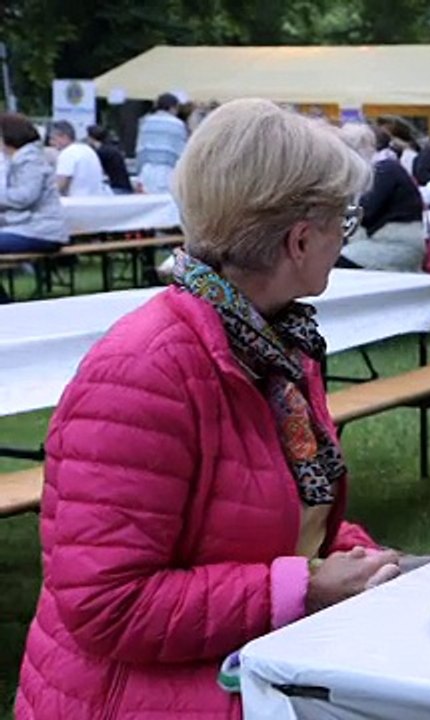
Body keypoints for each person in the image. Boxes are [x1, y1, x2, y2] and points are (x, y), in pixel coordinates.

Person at [14, 98, 401, 719]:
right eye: (344, 222)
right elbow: (106, 604)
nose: (343, 238)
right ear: (300, 240)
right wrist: (308, 586)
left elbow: (283, 514)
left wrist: (359, 557)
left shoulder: (272, 342)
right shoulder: (147, 369)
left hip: (240, 678)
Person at [336, 124, 426, 272]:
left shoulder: (385, 169)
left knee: (336, 260)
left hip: (398, 246)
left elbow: (363, 210)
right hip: (377, 242)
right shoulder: (378, 170)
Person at [0, 113, 69, 256]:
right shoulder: (14, 160)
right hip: (28, 229)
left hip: (41, 231)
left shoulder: (31, 160)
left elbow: (26, 196)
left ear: (8, 135)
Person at [135, 92, 188, 193]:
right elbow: (181, 151)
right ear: (173, 107)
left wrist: (139, 171)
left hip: (146, 170)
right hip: (167, 172)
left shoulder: (145, 122)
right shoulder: (177, 124)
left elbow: (140, 149)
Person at [48, 120, 108, 197]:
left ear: (64, 137)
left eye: (53, 139)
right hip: (96, 199)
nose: (51, 143)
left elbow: (61, 185)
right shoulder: (88, 150)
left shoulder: (67, 153)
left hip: (76, 203)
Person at [86, 124, 133, 194]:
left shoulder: (102, 152)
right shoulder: (110, 148)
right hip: (123, 186)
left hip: (118, 189)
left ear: (91, 138)